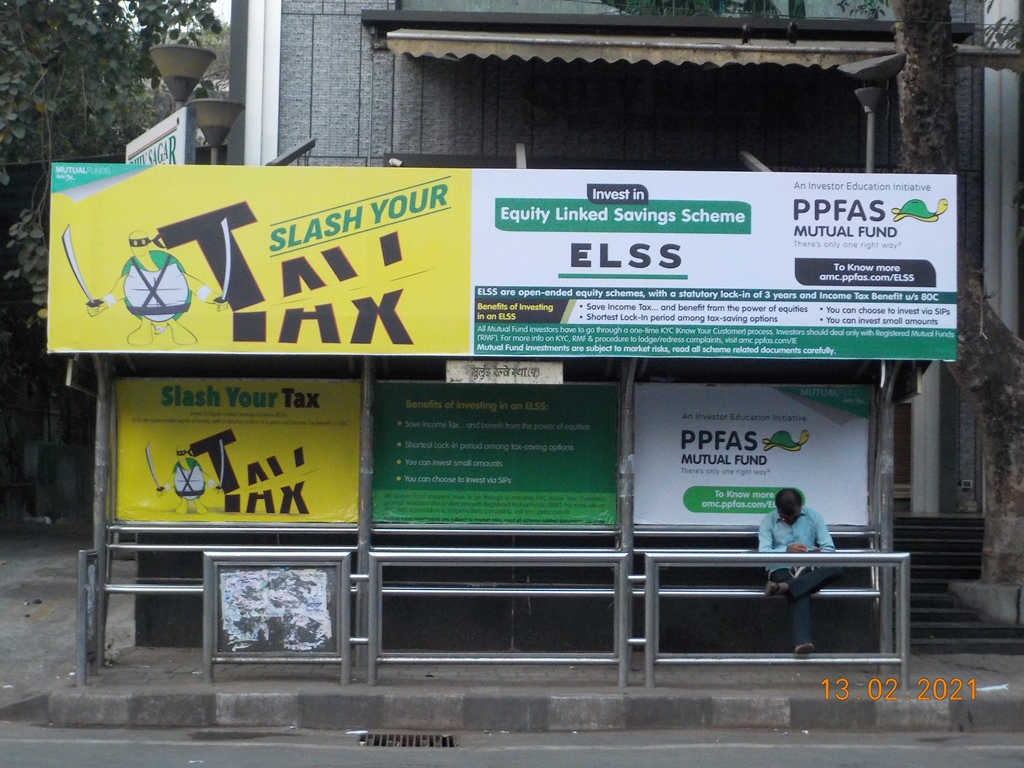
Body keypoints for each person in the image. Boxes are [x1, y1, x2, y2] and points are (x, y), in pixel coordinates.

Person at [758, 487, 843, 655]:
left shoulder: (813, 516)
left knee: (836, 568)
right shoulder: (768, 521)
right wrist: (786, 550)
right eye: (784, 517)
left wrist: (819, 553)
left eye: (794, 517)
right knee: (801, 589)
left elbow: (830, 549)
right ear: (777, 509)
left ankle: (784, 587)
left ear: (801, 506)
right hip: (781, 568)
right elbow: (763, 553)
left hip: (808, 567)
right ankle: (802, 641)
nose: (789, 520)